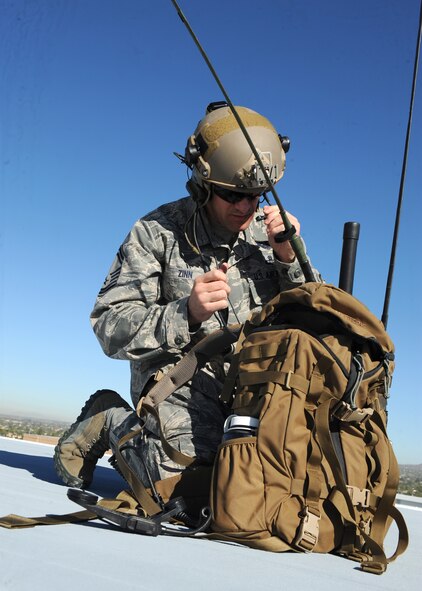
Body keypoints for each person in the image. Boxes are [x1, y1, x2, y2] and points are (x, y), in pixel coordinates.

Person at [54, 102, 320, 497]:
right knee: (181, 490)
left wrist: (290, 261)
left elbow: (320, 325)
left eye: (256, 195)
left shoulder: (275, 237)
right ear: (202, 184)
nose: (246, 207)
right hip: (182, 381)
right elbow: (109, 326)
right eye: (233, 195)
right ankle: (108, 419)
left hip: (257, 388)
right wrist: (186, 314)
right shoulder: (157, 233)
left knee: (284, 486)